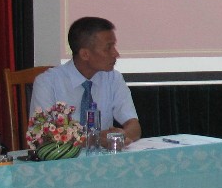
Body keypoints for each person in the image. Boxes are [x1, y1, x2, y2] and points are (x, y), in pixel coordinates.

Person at [30, 17, 141, 145]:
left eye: (114, 46)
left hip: (104, 155)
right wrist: (95, 140)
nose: (116, 53)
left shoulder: (113, 78)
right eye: (108, 48)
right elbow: (42, 137)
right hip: (64, 156)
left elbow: (134, 127)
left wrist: (121, 135)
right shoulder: (47, 83)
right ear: (85, 54)